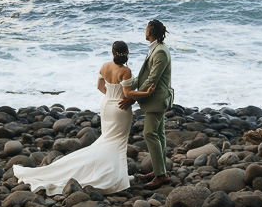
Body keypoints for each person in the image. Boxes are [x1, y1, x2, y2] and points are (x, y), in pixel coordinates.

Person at [13, 41, 154, 195]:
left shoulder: (105, 66)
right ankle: (116, 178)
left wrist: (111, 96)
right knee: (117, 142)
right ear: (127, 53)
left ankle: (112, 174)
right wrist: (146, 93)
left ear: (113, 53)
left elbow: (100, 87)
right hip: (120, 108)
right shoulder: (125, 71)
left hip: (106, 105)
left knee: (107, 139)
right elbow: (127, 94)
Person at [120, 19, 173, 189]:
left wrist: (133, 97)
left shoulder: (160, 52)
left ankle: (160, 175)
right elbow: (144, 77)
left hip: (157, 100)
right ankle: (160, 170)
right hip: (156, 99)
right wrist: (128, 87)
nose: (144, 31)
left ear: (150, 32)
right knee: (159, 134)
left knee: (150, 133)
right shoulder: (156, 49)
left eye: (145, 29)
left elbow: (152, 79)